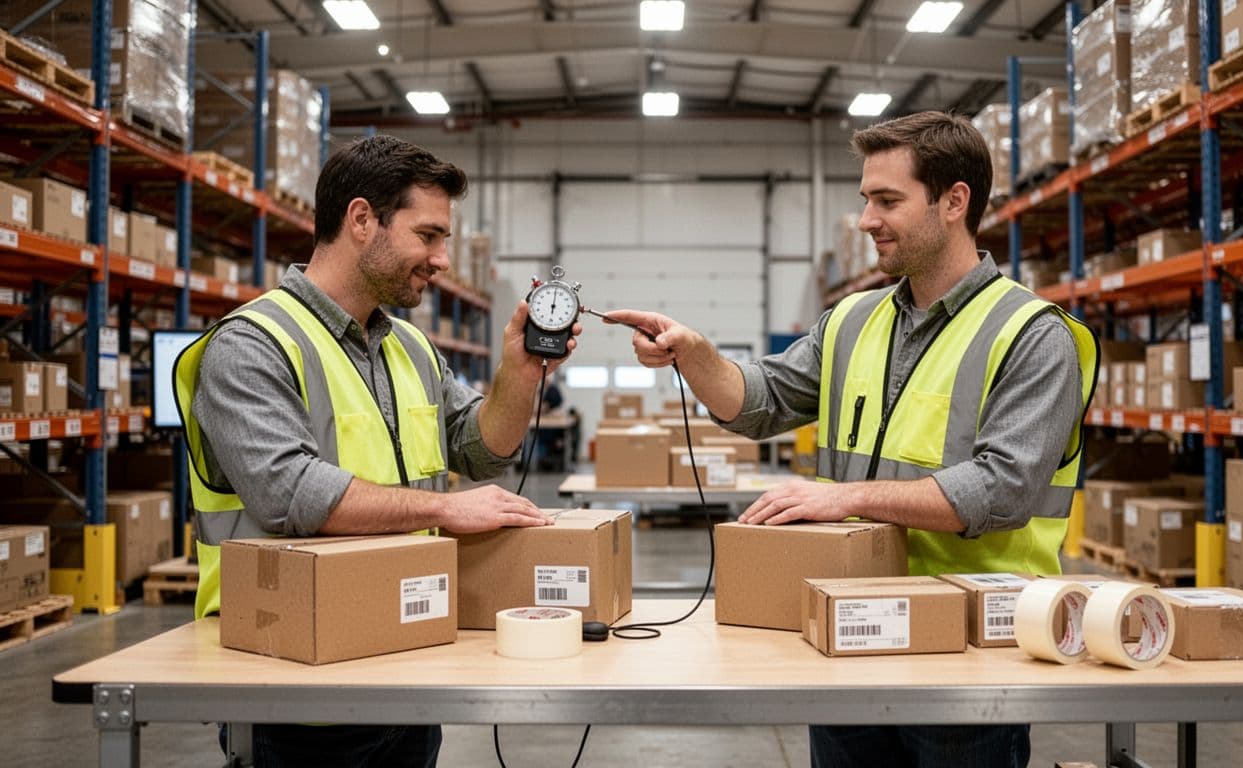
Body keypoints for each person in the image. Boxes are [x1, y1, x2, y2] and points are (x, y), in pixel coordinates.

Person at [610, 111, 1097, 768]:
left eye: (887, 200)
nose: (867, 219)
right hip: (854, 622)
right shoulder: (853, 320)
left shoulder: (1033, 335)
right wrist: (694, 354)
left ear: (955, 201)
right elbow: (762, 401)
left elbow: (1003, 490)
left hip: (971, 648)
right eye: (866, 199)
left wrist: (842, 497)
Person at [174, 135, 580, 767]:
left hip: (407, 664)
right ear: (361, 220)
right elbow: (288, 494)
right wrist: (443, 511)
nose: (442, 259)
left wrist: (520, 374)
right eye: (428, 235)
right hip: (294, 684)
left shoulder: (411, 349)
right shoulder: (252, 345)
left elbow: (482, 449)